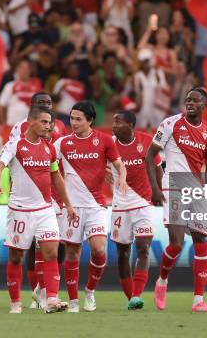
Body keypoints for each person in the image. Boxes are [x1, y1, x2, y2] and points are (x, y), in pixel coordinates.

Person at [0, 106, 75, 314]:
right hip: (20, 210)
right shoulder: (15, 145)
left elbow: (56, 177)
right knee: (16, 257)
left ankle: (52, 300)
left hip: (45, 209)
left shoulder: (49, 148)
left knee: (51, 252)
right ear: (31, 122)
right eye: (44, 122)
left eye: (50, 123)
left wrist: (68, 204)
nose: (49, 126)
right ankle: (15, 303)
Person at [146, 87, 207, 313]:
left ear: (205, 104)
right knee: (176, 242)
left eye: (195, 100)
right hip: (174, 184)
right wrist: (156, 188)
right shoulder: (170, 124)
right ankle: (162, 281)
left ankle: (198, 300)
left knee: (200, 238)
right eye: (187, 99)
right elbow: (150, 155)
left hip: (196, 189)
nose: (190, 103)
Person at [53, 101, 128, 312]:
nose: (73, 123)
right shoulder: (62, 143)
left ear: (90, 120)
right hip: (72, 208)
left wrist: (121, 178)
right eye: (71, 118)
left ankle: (91, 292)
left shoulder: (104, 141)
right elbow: (49, 167)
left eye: (78, 119)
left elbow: (119, 165)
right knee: (72, 253)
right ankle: (74, 301)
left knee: (98, 250)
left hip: (96, 206)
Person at [110, 110, 162, 310]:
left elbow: (157, 168)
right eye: (113, 122)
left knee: (143, 249)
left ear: (131, 125)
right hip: (120, 206)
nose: (114, 125)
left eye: (118, 122)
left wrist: (157, 190)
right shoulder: (110, 144)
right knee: (123, 253)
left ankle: (137, 295)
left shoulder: (147, 141)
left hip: (143, 203)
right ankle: (130, 296)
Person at [0, 59, 43, 126]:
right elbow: (1, 106)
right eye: (22, 68)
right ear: (17, 69)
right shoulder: (10, 86)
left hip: (32, 126)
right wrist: (4, 123)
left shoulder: (37, 86)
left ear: (30, 70)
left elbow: (42, 107)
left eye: (27, 68)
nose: (24, 70)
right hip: (13, 124)